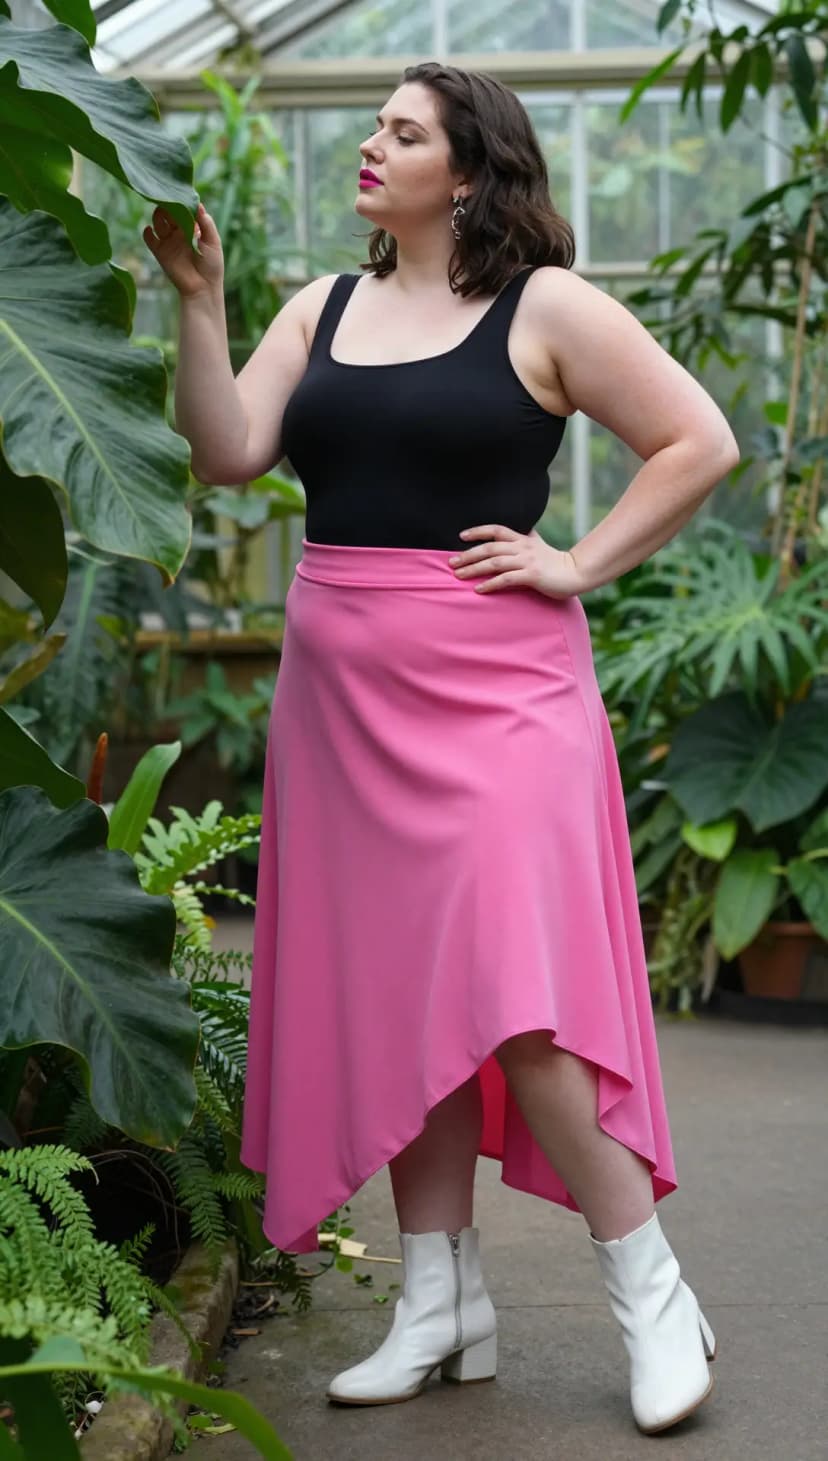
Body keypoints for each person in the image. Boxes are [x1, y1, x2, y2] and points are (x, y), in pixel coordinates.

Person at [145, 59, 738, 1437]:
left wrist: (577, 559)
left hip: (504, 696)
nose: (372, 145)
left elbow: (696, 441)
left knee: (518, 1007)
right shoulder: (324, 306)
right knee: (401, 1001)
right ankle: (438, 1301)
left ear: (467, 171)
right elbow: (229, 449)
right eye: (374, 126)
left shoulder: (551, 309)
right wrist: (196, 304)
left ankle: (649, 1287)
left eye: (402, 132)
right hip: (343, 701)